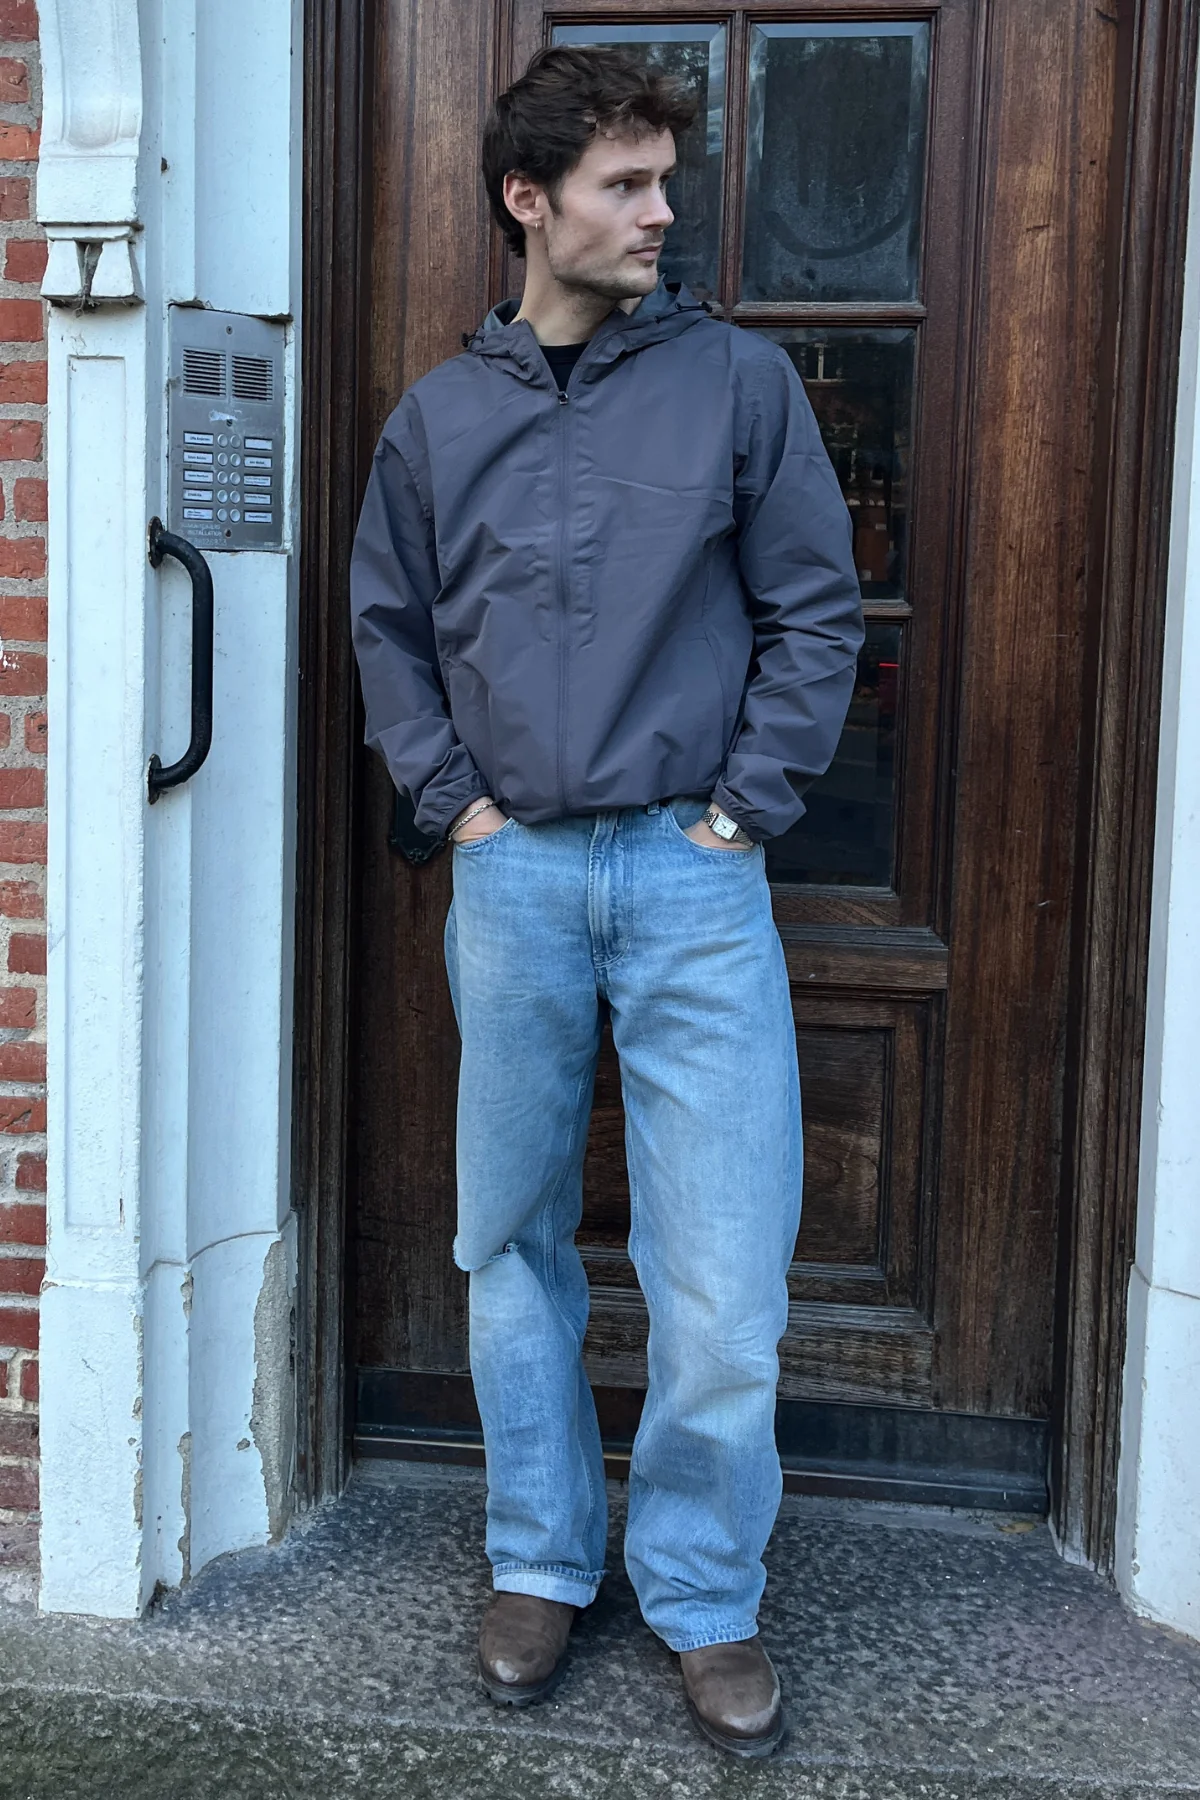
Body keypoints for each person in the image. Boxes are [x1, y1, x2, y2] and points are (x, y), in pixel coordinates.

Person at [349, 43, 863, 1761]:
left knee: (721, 1273)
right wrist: (463, 810)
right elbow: (390, 634)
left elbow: (815, 613)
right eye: (624, 185)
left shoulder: (737, 388)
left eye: (664, 182)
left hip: (689, 877)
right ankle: (540, 1560)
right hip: (513, 880)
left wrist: (739, 814)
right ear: (530, 201)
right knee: (508, 1244)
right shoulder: (439, 420)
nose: (660, 215)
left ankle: (705, 1591)